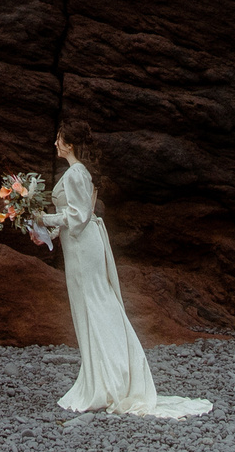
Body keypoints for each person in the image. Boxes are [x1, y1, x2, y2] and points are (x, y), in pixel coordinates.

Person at [38, 122, 210, 418]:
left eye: (58, 139)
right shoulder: (79, 173)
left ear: (69, 144)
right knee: (96, 305)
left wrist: (44, 219)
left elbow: (79, 216)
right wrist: (47, 233)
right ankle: (105, 376)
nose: (55, 143)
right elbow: (79, 216)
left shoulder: (76, 173)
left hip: (82, 247)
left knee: (95, 305)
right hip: (80, 242)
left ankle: (111, 380)